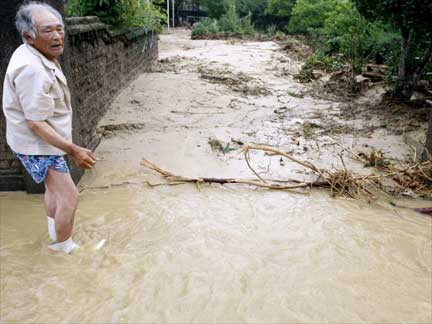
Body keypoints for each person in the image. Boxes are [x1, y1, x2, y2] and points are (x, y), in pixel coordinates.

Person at [2, 2, 96, 254]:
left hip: (43, 141)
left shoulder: (34, 54)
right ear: (28, 36)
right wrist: (74, 149)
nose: (57, 36)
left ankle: (56, 237)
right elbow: (35, 122)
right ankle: (63, 249)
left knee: (54, 192)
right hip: (38, 144)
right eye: (47, 31)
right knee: (69, 196)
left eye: (59, 29)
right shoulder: (33, 69)